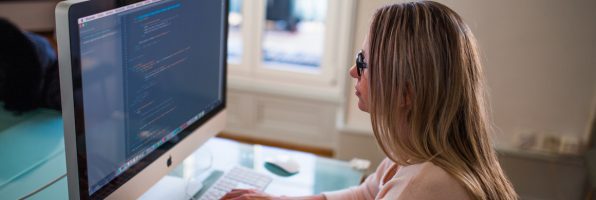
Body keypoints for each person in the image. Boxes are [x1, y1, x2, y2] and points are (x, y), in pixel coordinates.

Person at [221, 1, 517, 199]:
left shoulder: (425, 186)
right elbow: (365, 194)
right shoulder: (415, 150)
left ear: (406, 92)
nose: (353, 71)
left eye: (363, 63)